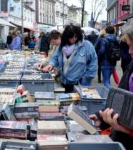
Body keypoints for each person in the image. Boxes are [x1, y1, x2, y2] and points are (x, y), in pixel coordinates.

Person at [90, 19, 133, 150]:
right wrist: (101, 118)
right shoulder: (131, 66)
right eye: (129, 45)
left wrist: (129, 131)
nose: (130, 51)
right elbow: (122, 101)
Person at [43, 24, 97, 92]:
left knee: (76, 101)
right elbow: (55, 57)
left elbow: (93, 64)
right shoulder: (62, 46)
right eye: (71, 37)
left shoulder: (87, 46)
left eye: (75, 37)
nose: (74, 39)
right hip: (63, 81)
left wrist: (86, 79)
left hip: (79, 84)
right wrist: (51, 64)